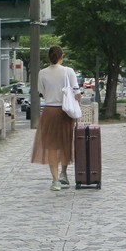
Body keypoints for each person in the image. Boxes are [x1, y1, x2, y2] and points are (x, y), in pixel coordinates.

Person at [31, 46, 81, 191]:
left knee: (52, 146)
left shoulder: (42, 73)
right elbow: (77, 93)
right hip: (65, 112)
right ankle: (64, 174)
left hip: (49, 111)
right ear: (62, 56)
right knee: (65, 143)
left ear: (49, 57)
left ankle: (55, 181)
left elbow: (41, 92)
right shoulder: (68, 71)